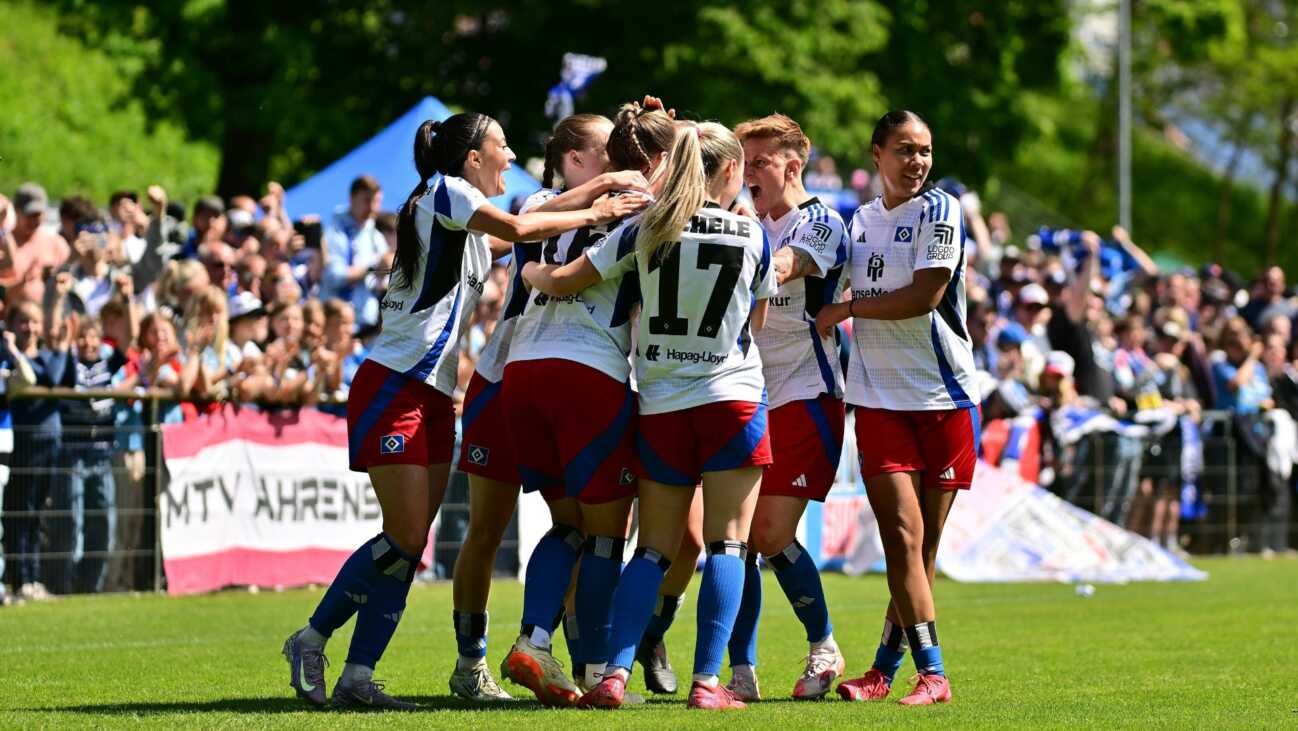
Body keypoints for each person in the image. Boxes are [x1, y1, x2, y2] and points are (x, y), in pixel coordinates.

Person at [279, 111, 646, 710]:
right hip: (394, 384)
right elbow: (521, 227)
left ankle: (357, 675)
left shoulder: (467, 227)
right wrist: (600, 211)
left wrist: (602, 187)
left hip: (433, 393)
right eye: (502, 146)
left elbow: (527, 220)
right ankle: (312, 637)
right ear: (472, 156)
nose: (510, 157)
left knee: (412, 542)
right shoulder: (446, 190)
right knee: (402, 538)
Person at [525, 120, 777, 710]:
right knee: (728, 546)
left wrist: (535, 273)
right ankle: (706, 685)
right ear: (732, 171)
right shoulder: (751, 233)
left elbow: (565, 281)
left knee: (653, 550)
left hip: (662, 404)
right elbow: (756, 325)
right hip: (731, 399)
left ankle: (613, 675)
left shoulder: (646, 228)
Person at [448, 111, 655, 703]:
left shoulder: (589, 204)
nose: (615, 161)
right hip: (522, 374)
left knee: (573, 525)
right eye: (602, 151)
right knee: (503, 529)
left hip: (524, 372)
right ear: (571, 158)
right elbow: (523, 230)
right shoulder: (545, 202)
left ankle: (546, 647)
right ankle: (491, 663)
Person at [815, 110, 976, 706]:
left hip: (944, 397)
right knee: (903, 540)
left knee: (923, 550)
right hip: (878, 399)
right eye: (905, 150)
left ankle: (883, 669)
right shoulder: (855, 222)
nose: (918, 162)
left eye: (926, 150)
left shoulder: (942, 210)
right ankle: (933, 674)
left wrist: (848, 308)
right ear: (876, 153)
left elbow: (925, 295)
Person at [723, 113, 849, 701]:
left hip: (805, 393)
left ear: (792, 166)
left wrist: (733, 241)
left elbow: (782, 269)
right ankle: (741, 669)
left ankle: (824, 645)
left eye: (759, 163)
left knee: (769, 532)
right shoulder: (745, 219)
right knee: (738, 539)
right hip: (746, 393)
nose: (747, 174)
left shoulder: (820, 221)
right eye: (742, 162)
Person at [321, 176, 388, 331]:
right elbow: (333, 276)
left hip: (368, 325)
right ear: (352, 198)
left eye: (376, 202)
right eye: (367, 200)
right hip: (338, 325)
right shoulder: (335, 230)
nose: (372, 208)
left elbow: (386, 278)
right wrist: (373, 267)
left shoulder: (374, 233)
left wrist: (387, 267)